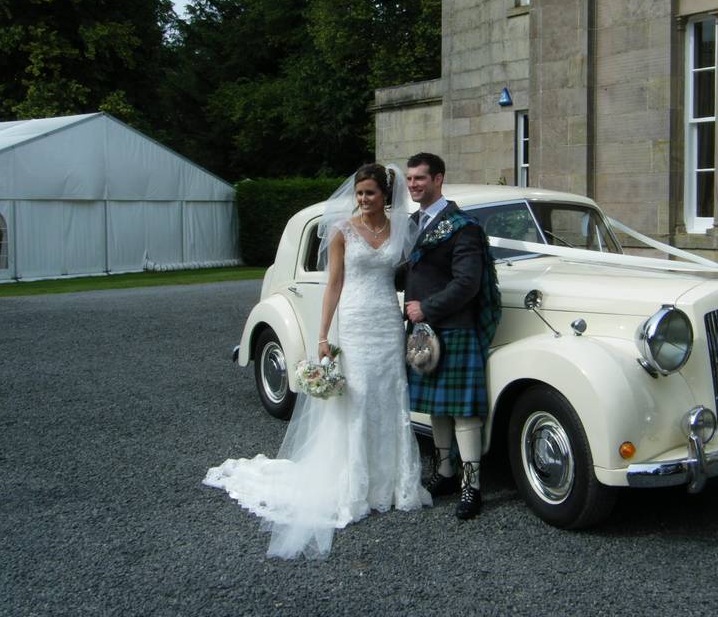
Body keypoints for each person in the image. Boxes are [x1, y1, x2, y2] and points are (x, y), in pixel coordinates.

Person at [203, 163, 430, 559]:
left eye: (370, 193)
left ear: (385, 195)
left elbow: (413, 274)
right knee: (357, 399)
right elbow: (335, 283)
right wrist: (323, 336)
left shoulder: (401, 230)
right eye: (359, 193)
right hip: (356, 322)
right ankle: (355, 487)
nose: (363, 199)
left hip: (386, 323)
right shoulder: (342, 230)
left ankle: (394, 483)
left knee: (389, 396)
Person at [400, 152, 500, 520]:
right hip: (424, 332)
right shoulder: (412, 224)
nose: (413, 185)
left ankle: (471, 488)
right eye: (410, 179)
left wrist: (427, 307)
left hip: (454, 326)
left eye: (420, 179)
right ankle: (444, 473)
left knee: (464, 413)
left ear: (438, 179)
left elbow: (468, 283)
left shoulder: (463, 226)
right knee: (437, 408)